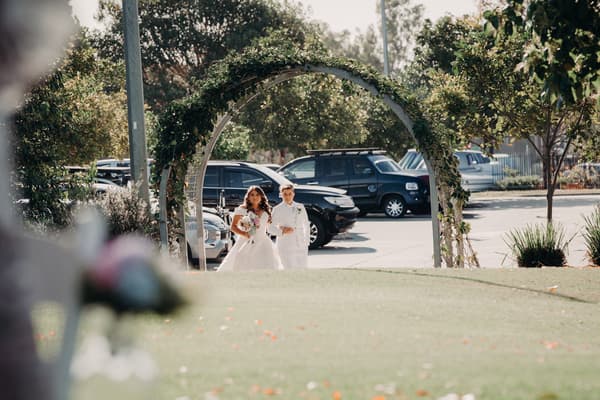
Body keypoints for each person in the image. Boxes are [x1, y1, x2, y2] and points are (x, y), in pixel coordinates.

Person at [217, 186, 283, 271]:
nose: (255, 197)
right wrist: (244, 234)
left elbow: (269, 227)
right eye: (252, 195)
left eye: (257, 195)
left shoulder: (266, 210)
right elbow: (233, 227)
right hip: (246, 241)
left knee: (265, 266)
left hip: (263, 242)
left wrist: (281, 230)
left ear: (261, 196)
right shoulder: (242, 209)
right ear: (248, 197)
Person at [269, 184, 310, 268]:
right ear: (281, 195)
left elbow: (306, 224)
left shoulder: (300, 206)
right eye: (285, 194)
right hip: (285, 243)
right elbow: (270, 228)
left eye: (290, 194)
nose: (287, 196)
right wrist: (282, 231)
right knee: (288, 267)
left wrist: (306, 241)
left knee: (302, 267)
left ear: (293, 194)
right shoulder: (277, 209)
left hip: (300, 243)